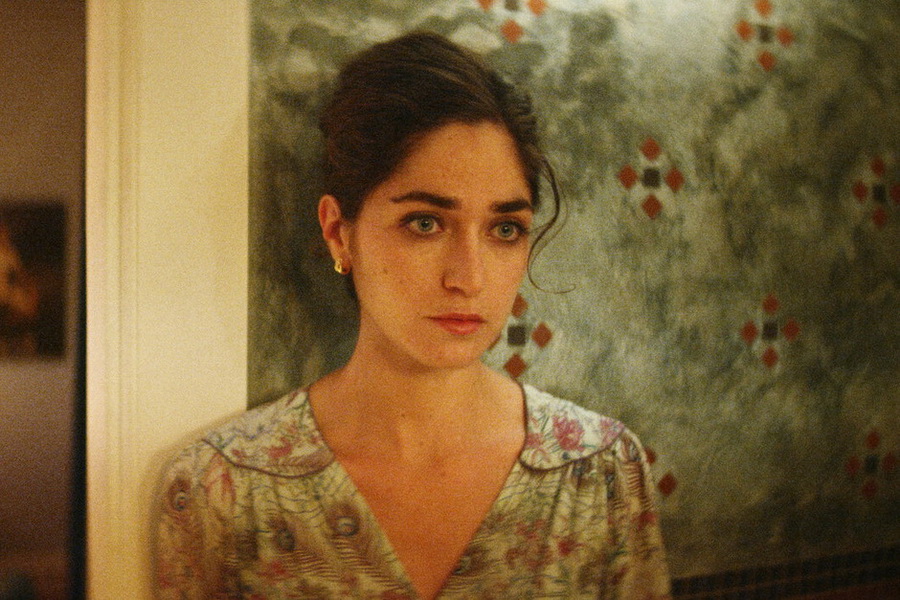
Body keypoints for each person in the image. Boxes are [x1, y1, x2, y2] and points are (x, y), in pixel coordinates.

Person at [156, 31, 670, 599]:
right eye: (425, 223)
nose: (469, 278)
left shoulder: (599, 473)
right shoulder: (224, 489)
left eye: (504, 229)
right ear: (338, 233)